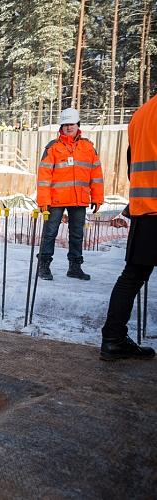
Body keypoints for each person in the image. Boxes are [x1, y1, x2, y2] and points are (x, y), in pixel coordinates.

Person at [99, 95, 157, 361]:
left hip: (145, 210)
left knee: (131, 277)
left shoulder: (142, 112)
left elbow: (132, 165)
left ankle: (113, 339)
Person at [36, 107, 104, 280]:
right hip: (56, 200)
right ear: (61, 127)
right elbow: (43, 176)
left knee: (77, 234)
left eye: (71, 124)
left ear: (77, 125)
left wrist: (97, 197)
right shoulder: (53, 148)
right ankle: (43, 266)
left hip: (79, 199)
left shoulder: (88, 148)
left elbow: (96, 174)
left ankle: (75, 267)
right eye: (65, 124)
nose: (68, 127)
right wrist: (43, 200)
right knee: (50, 233)